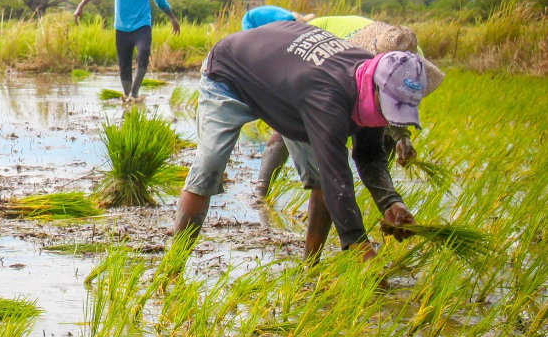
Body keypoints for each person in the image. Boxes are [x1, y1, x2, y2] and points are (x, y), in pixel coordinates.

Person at [173, 20, 437, 262]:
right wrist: (361, 248)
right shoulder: (328, 98)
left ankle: (310, 268)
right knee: (208, 167)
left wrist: (392, 203)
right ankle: (172, 269)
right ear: (376, 87)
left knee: (320, 179)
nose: (387, 116)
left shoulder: (372, 82)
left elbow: (369, 155)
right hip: (231, 72)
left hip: (286, 90)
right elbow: (338, 177)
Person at [253, 17, 440, 197]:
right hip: (313, 42)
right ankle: (262, 190)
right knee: (294, 119)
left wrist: (402, 138)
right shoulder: (349, 55)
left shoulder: (412, 60)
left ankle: (381, 195)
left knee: (376, 137)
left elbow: (396, 101)